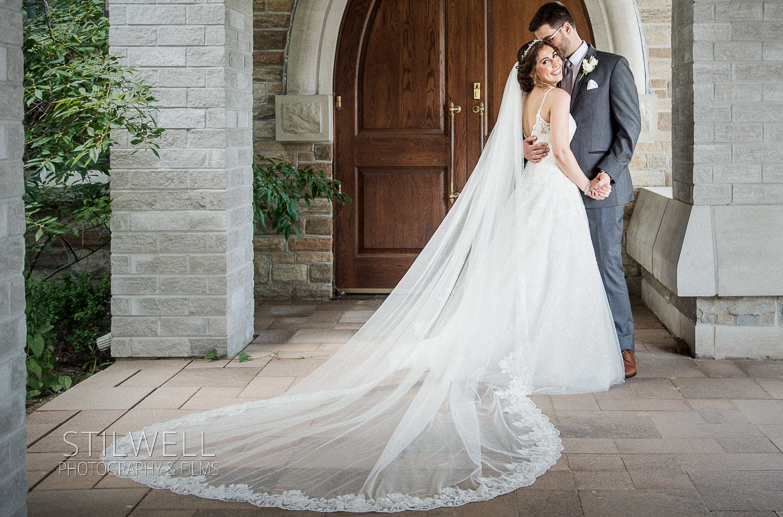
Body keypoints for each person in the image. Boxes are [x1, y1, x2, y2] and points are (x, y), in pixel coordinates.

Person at [101, 41, 624, 513]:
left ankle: (520, 344)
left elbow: (532, 148)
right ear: (531, 72)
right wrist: (588, 187)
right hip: (553, 192)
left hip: (535, 192)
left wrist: (545, 158)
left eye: (556, 60)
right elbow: (557, 152)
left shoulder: (531, 100)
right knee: (547, 273)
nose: (554, 66)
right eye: (545, 61)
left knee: (528, 274)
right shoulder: (555, 100)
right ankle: (538, 351)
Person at [525, 2, 642, 378]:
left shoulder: (611, 66)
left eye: (547, 39)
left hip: (598, 187)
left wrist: (607, 173)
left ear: (565, 29)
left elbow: (629, 130)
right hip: (557, 189)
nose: (547, 49)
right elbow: (543, 128)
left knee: (606, 265)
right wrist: (524, 148)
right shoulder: (549, 76)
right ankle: (578, 348)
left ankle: (623, 348)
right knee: (566, 271)